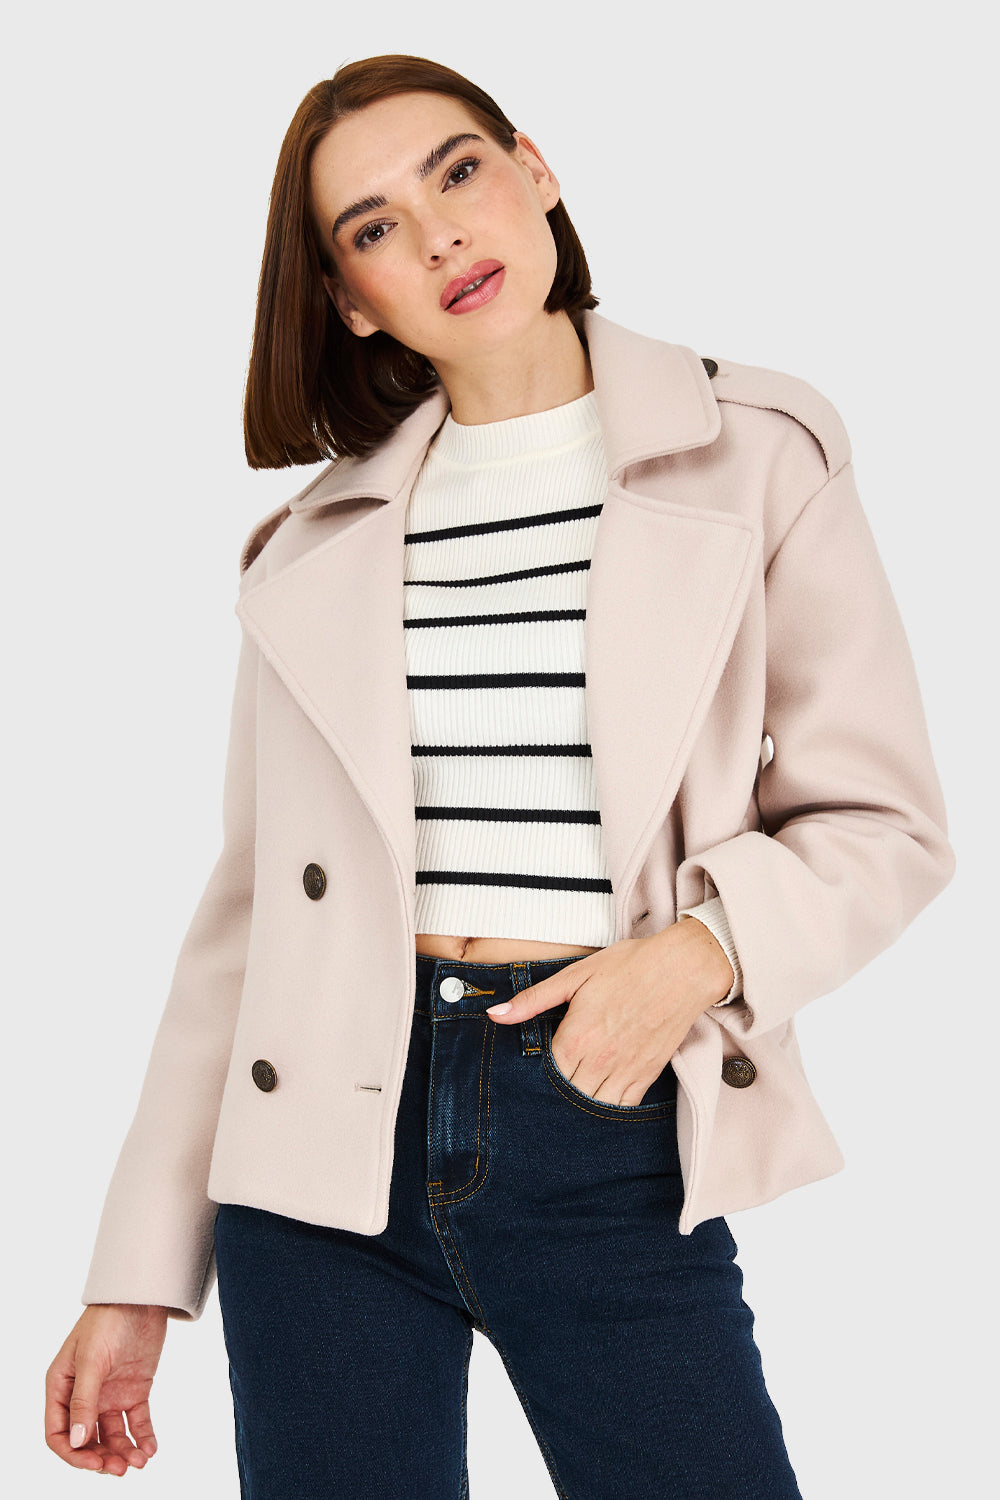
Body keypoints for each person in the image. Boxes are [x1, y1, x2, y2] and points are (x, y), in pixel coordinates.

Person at [45, 53, 956, 1497]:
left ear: (536, 170)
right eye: (375, 227)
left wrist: (695, 957)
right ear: (350, 298)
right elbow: (249, 921)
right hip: (319, 1158)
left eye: (458, 172)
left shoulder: (757, 452)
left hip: (605, 1115)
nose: (439, 236)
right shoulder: (312, 546)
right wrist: (136, 1272)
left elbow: (884, 818)